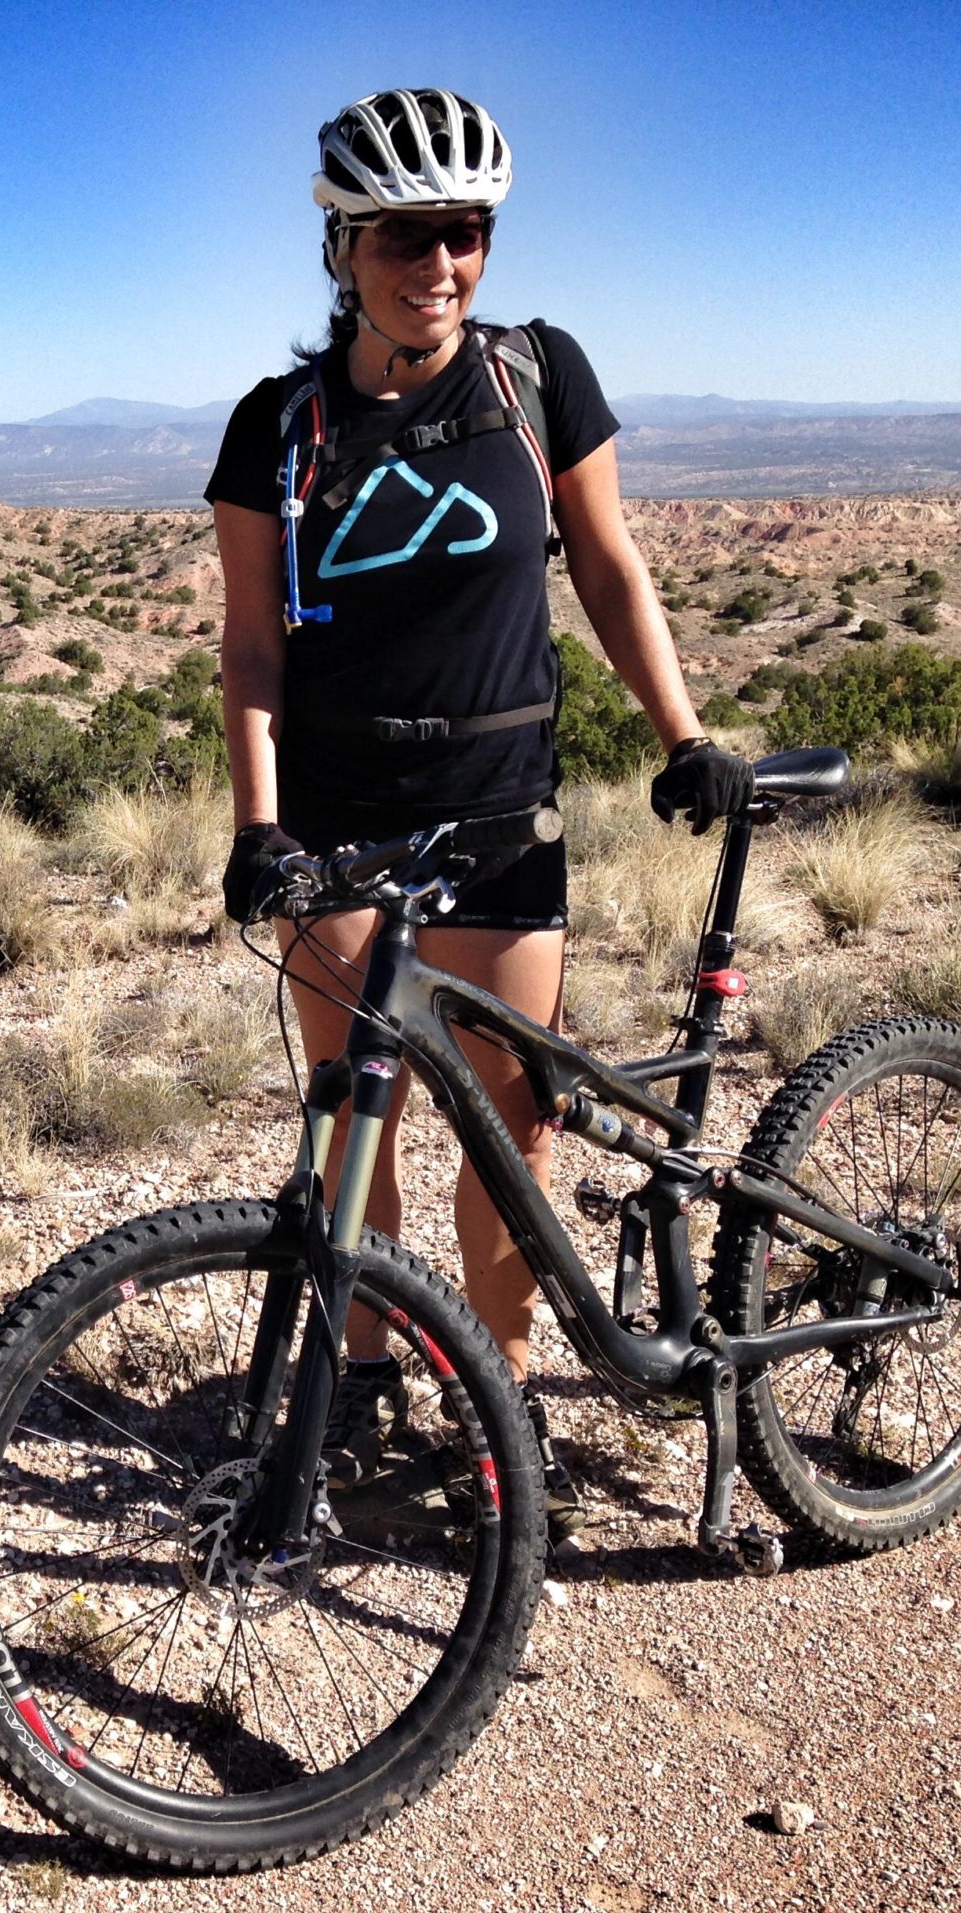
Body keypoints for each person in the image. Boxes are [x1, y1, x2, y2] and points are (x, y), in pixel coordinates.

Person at [205, 87, 755, 1537]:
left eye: (465, 233)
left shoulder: (536, 374)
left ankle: (494, 1412)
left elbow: (609, 563)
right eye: (404, 234)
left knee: (509, 1148)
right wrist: (261, 825)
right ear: (343, 245)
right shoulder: (277, 429)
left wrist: (682, 732)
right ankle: (367, 1375)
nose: (437, 264)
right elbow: (252, 644)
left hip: (499, 809)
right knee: (349, 1129)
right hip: (338, 813)